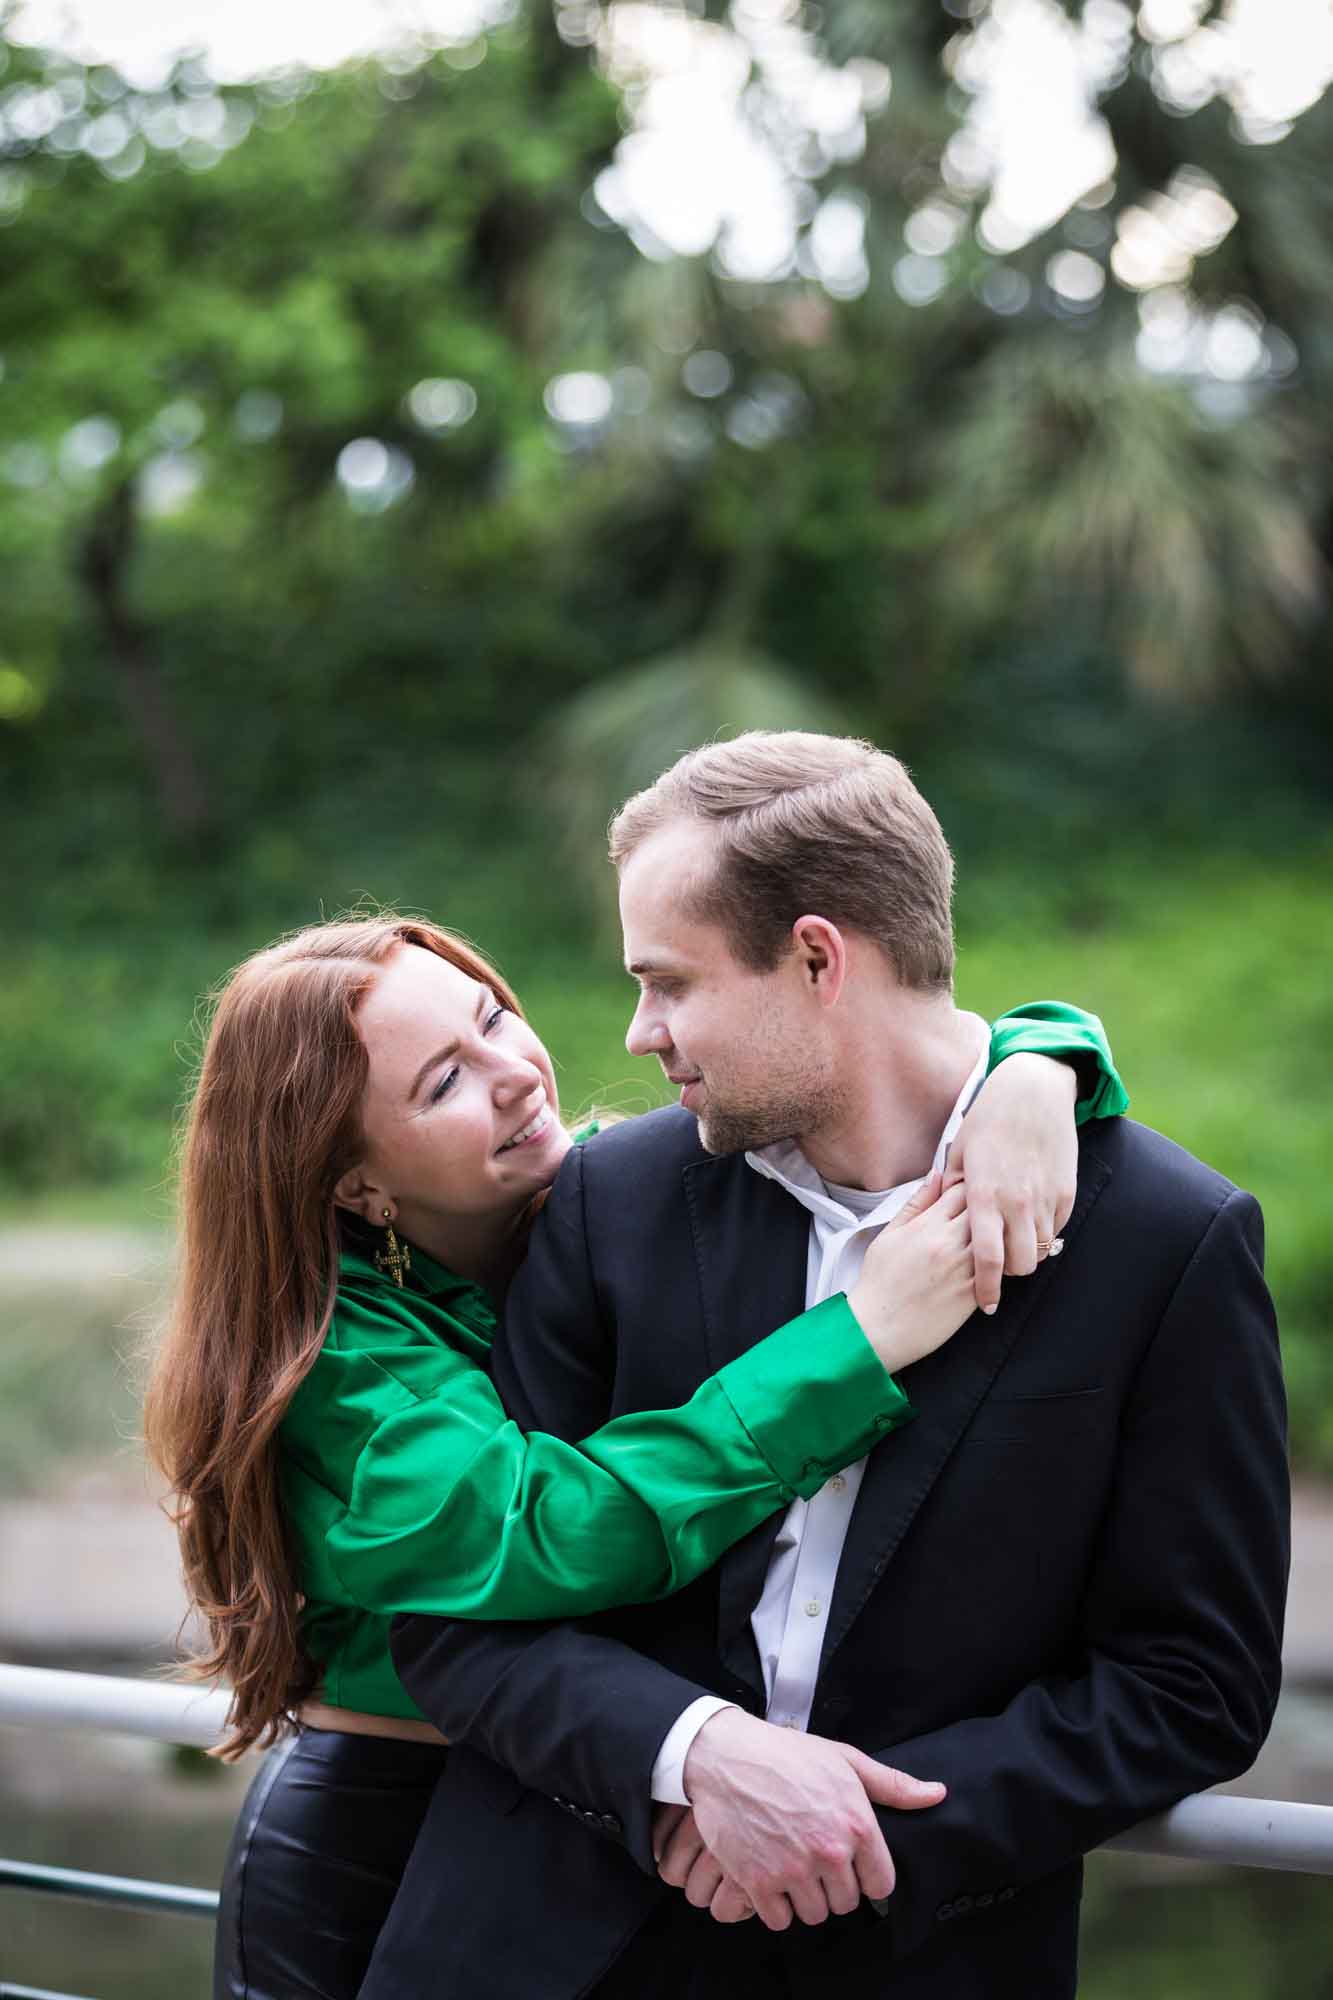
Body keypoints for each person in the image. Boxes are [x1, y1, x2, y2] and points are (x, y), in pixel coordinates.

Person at [369, 732, 1289, 2000]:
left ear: (816, 958)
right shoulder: (604, 1201)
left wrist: (854, 1837)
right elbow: (457, 1608)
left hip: (917, 1955)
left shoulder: (1167, 1240)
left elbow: (1193, 1683)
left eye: (669, 982)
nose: (638, 1034)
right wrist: (689, 1758)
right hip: (535, 1948)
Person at [142, 912, 1124, 2000]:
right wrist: (861, 1334)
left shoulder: (599, 1197)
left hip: (569, 1819)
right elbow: (544, 1530)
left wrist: (1042, 1059)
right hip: (377, 1836)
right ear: (355, 1187)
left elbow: (893, 1050)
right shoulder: (331, 1361)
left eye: (494, 1017)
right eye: (442, 1084)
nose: (513, 1073)